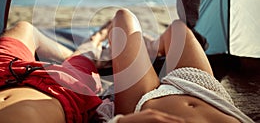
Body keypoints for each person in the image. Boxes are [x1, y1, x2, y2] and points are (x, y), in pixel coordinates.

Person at [104, 8, 254, 123]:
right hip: (208, 94)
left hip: (143, 105)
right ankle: (153, 47)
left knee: (123, 18)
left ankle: (139, 48)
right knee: (178, 29)